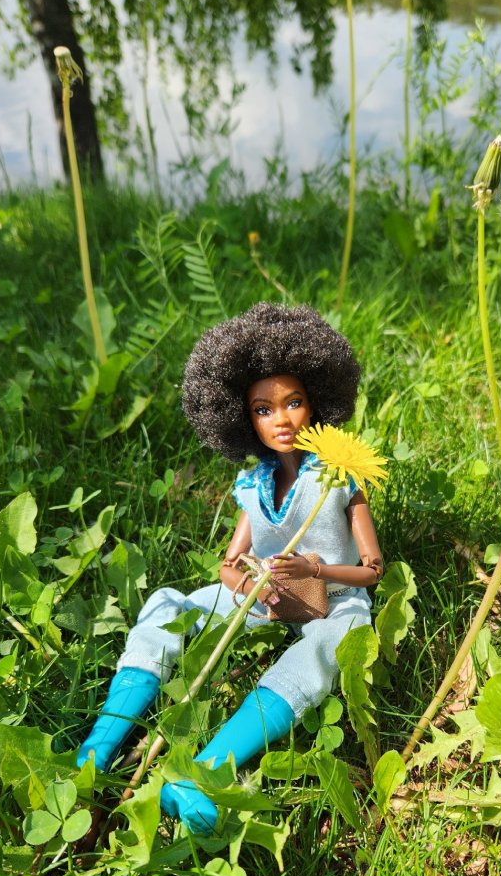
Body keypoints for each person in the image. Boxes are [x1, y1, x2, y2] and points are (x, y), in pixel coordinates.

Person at [76, 302, 383, 834]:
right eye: (264, 409)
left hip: (335, 600)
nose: (281, 419)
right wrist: (250, 584)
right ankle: (97, 750)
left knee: (329, 647)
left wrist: (318, 572)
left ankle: (204, 772)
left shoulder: (342, 479)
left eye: (294, 402)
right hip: (267, 593)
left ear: (317, 402)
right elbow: (227, 564)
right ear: (243, 419)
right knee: (170, 606)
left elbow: (373, 570)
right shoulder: (252, 486)